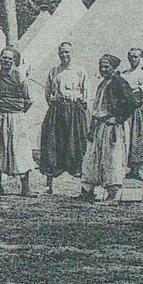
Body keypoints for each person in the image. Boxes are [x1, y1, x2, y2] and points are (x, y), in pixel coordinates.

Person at [80, 54, 138, 203]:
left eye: (106, 67)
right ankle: (87, 191)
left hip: (112, 127)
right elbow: (97, 107)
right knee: (92, 157)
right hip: (100, 126)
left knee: (112, 158)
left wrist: (118, 118)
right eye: (101, 66)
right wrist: (92, 127)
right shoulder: (103, 83)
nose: (103, 69)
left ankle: (113, 193)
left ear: (113, 68)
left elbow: (131, 103)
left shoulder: (119, 83)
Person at [39, 41, 89, 193]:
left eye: (67, 52)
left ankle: (84, 186)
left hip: (75, 109)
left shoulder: (80, 71)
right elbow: (48, 93)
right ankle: (49, 184)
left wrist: (79, 108)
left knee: (77, 145)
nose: (64, 55)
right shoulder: (54, 71)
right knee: (51, 144)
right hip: (57, 109)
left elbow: (86, 93)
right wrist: (55, 104)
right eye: (62, 52)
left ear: (72, 53)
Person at [0, 47, 33, 196]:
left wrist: (18, 112)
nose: (6, 61)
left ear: (14, 61)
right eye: (4, 58)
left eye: (9, 59)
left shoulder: (21, 78)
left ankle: (25, 187)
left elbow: (29, 100)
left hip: (16, 117)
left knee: (20, 150)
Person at [121, 47, 143, 181]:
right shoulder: (125, 74)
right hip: (127, 110)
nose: (133, 59)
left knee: (140, 137)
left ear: (141, 58)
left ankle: (139, 170)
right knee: (127, 137)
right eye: (130, 56)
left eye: (135, 56)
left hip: (139, 109)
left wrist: (130, 92)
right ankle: (130, 169)